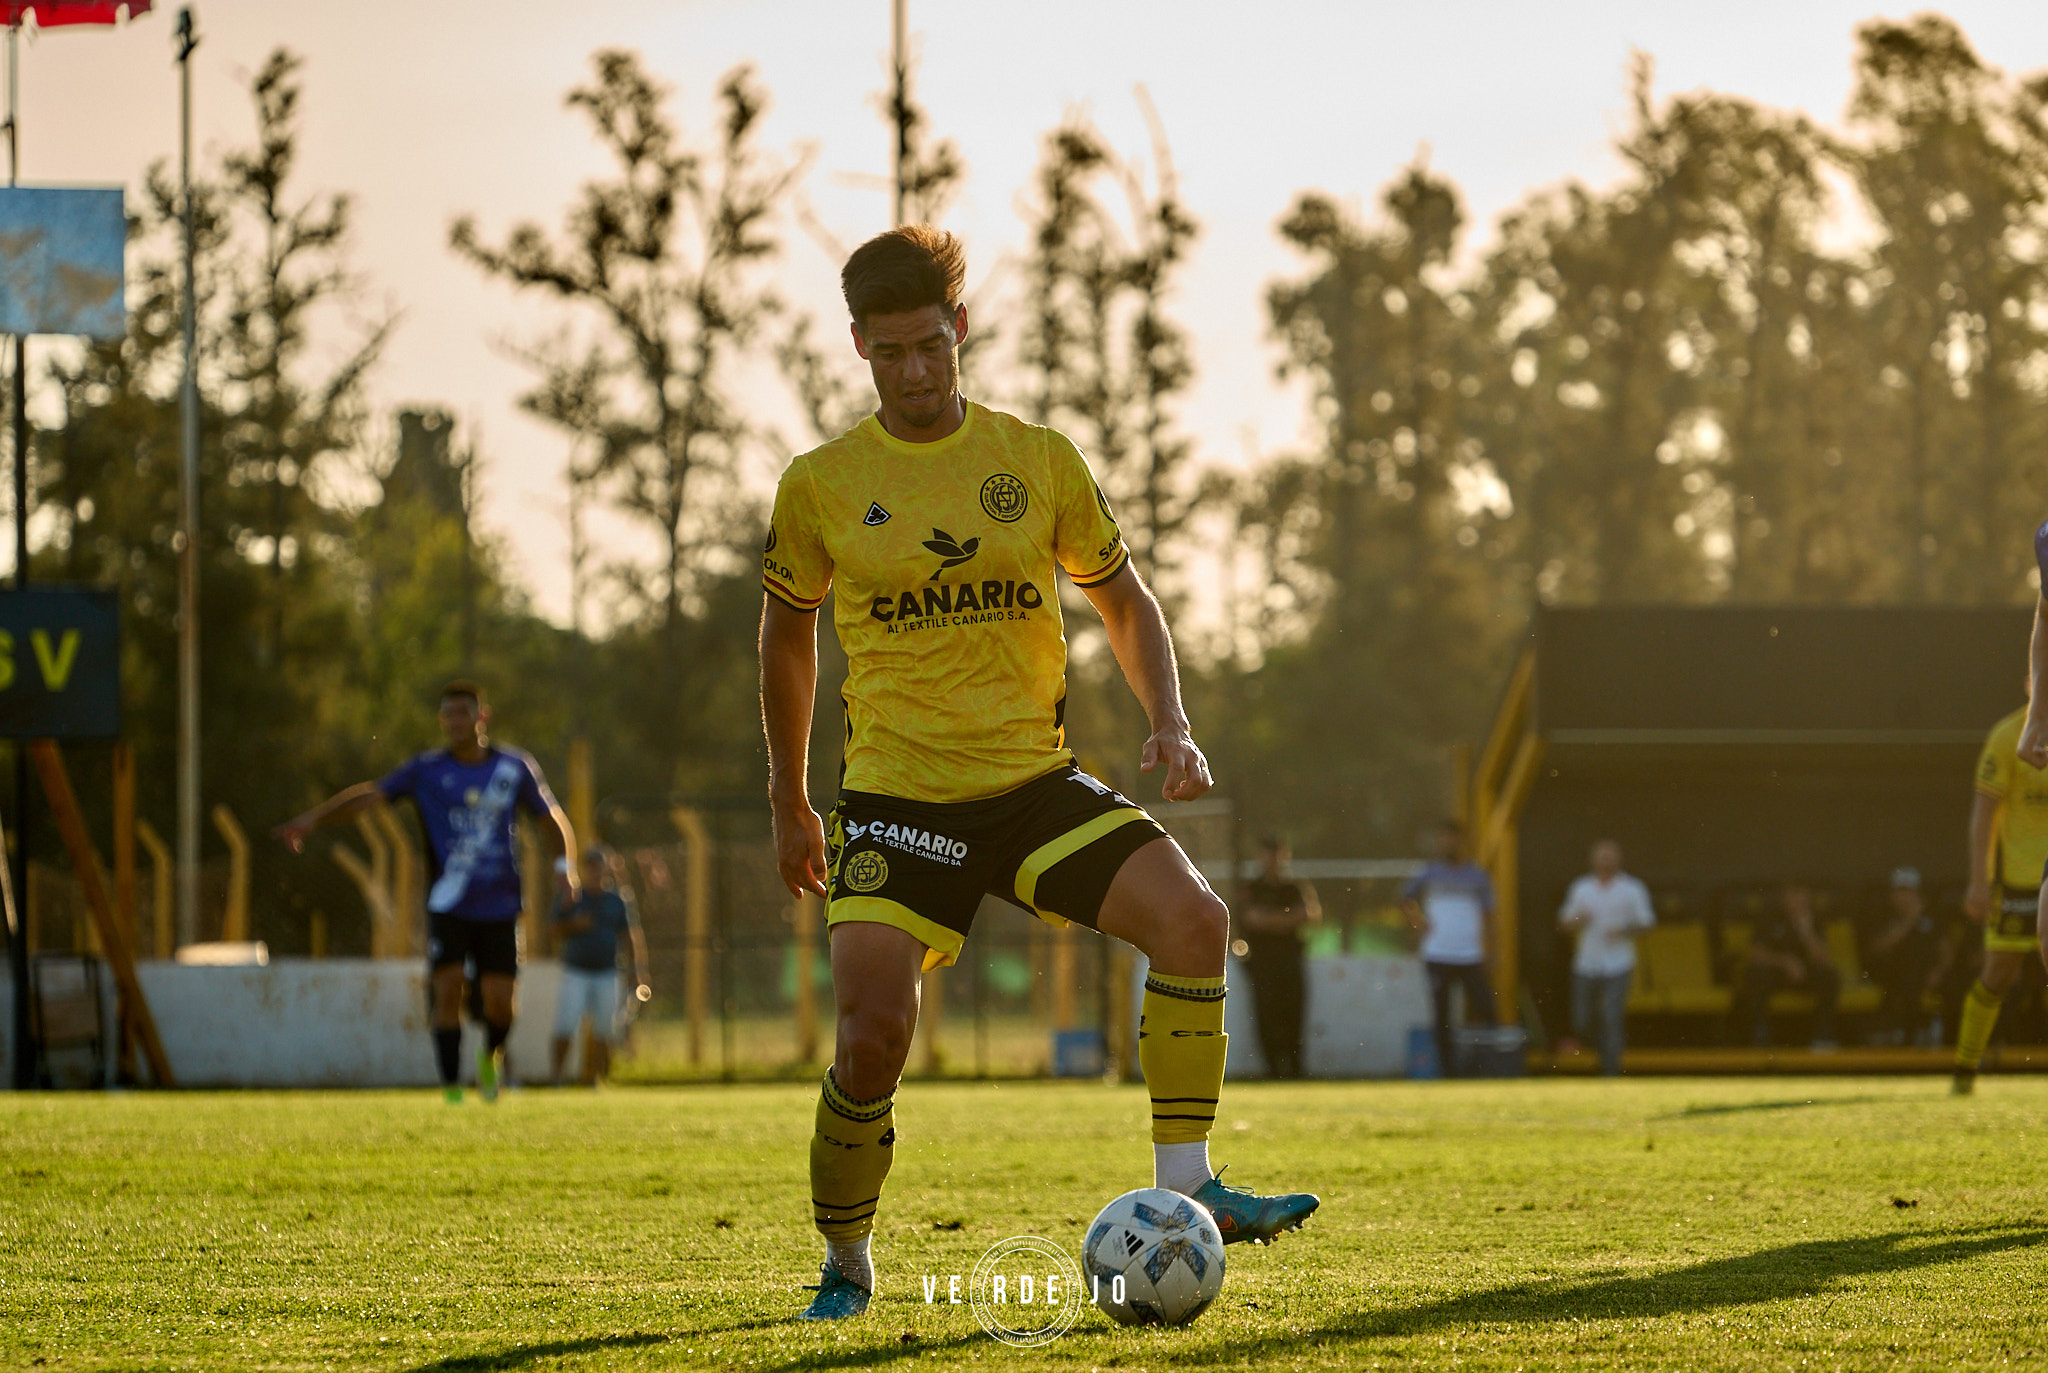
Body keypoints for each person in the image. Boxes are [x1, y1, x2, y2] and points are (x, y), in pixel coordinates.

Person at [759, 226, 1317, 1320]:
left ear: (959, 330)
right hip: (895, 799)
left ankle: (1187, 1183)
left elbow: (1123, 598)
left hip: (1031, 786)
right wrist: (789, 795)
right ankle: (847, 1258)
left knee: (1195, 922)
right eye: (889, 353)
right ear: (859, 348)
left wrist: (1171, 720)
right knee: (871, 1038)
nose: (914, 371)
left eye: (930, 345)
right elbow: (785, 638)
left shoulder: (1037, 459)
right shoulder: (821, 484)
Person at [274, 681, 576, 1103]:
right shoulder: (426, 770)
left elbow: (551, 819)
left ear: (481, 717)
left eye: (463, 713)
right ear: (441, 720)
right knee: (448, 987)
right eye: (447, 714)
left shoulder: (513, 767)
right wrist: (312, 820)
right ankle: (452, 1088)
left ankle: (491, 1060)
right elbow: (371, 796)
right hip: (447, 902)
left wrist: (565, 869)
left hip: (500, 903)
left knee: (500, 1002)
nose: (454, 721)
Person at [1955, 521, 2048, 1092]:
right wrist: (1978, 880)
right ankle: (1964, 1068)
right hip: (2019, 876)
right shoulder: (2010, 737)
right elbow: (1984, 814)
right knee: (2001, 970)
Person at [1399, 819, 1497, 1078]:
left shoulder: (1477, 875)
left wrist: (1491, 951)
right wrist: (1417, 922)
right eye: (1444, 839)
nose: (1448, 844)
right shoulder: (1429, 872)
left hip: (1470, 954)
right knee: (1441, 1015)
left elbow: (1489, 915)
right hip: (1438, 954)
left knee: (1486, 1008)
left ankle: (1489, 1066)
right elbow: (1404, 897)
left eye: (1453, 838)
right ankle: (1448, 1071)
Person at [548, 845, 650, 1086]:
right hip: (576, 971)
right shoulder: (571, 896)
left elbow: (630, 935)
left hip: (607, 972)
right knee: (565, 1025)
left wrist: (638, 969)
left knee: (604, 1029)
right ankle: (556, 1078)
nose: (594, 870)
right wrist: (574, 925)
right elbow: (551, 929)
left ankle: (595, 1079)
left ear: (606, 868)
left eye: (598, 865)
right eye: (589, 865)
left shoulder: (617, 900)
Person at [1556, 839, 1654, 1076]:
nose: (1606, 861)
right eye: (1602, 856)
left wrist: (1625, 930)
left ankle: (1610, 1072)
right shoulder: (1581, 888)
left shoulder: (1632, 888)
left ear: (1619, 860)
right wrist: (1581, 920)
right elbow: (1564, 924)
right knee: (1582, 1020)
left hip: (1619, 963)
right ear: (1593, 859)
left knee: (1611, 1017)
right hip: (1586, 964)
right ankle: (1597, 1058)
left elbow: (1648, 924)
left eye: (1610, 856)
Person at [1238, 836, 1321, 1080]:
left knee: (1294, 1012)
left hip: (1291, 958)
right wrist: (1286, 920)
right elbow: (1251, 918)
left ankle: (1295, 1067)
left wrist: (1270, 920)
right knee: (1266, 1013)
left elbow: (1309, 915)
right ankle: (1272, 1069)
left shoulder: (1294, 886)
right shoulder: (1252, 887)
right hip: (1262, 962)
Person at [1737, 884, 1840, 1049]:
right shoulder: (1770, 917)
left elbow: (1824, 959)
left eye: (1801, 894)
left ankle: (1823, 1035)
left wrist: (1806, 932)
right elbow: (1755, 954)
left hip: (1804, 974)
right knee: (1756, 975)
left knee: (1829, 977)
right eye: (1793, 894)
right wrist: (1784, 962)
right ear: (1784, 896)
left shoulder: (1815, 920)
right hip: (1776, 973)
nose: (1797, 900)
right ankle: (1760, 1034)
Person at [1865, 867, 1952, 1047]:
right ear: (1891, 895)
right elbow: (1878, 949)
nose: (1905, 898)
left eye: (1909, 892)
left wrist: (1938, 972)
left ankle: (1940, 1035)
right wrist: (1909, 921)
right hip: (1893, 976)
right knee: (1906, 979)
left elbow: (1946, 952)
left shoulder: (1933, 918)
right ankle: (1903, 1038)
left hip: (1928, 976)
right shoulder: (1882, 916)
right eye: (1900, 892)